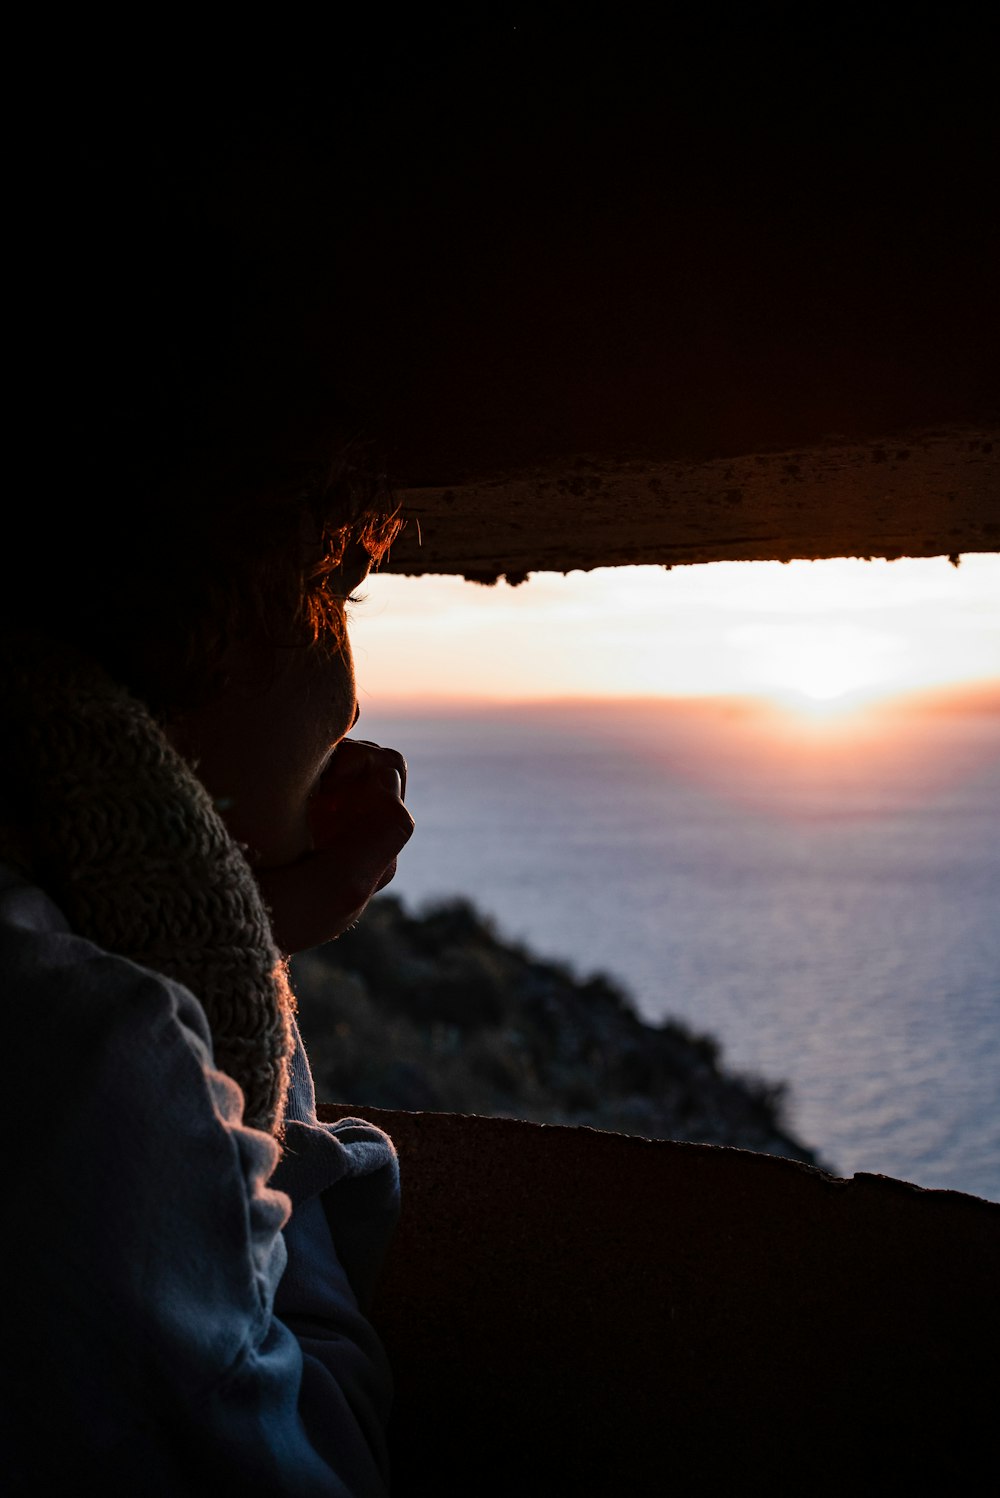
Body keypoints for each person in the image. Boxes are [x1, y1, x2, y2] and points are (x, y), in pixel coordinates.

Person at [3, 138, 415, 1493]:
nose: (351, 698)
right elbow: (324, 1451)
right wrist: (263, 1063)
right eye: (331, 593)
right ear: (213, 614)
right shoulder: (100, 1067)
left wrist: (247, 922)